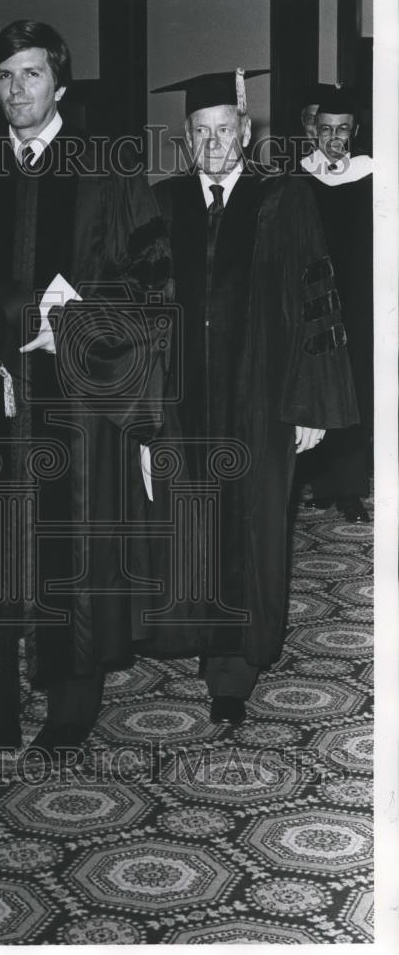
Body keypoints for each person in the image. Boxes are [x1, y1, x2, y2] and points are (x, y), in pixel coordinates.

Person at [0, 20, 172, 761]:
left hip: (76, 396)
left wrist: (71, 329)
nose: (16, 90)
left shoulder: (108, 171)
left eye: (30, 75)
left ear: (59, 84)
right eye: (4, 76)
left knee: (74, 545)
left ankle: (70, 704)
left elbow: (154, 287)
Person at [147, 69, 358, 724]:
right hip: (185, 402)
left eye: (224, 130)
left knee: (257, 524)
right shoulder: (163, 203)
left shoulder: (284, 199)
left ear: (245, 131)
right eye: (199, 133)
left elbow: (314, 298)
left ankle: (235, 670)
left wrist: (310, 406)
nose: (213, 144)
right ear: (185, 138)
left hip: (262, 399)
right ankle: (207, 641)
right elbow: (142, 307)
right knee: (195, 523)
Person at [298, 83, 373, 522]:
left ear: (354, 131)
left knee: (355, 388)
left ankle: (350, 489)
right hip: (314, 300)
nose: (333, 137)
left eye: (342, 129)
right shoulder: (298, 177)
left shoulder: (372, 175)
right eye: (325, 128)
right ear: (315, 131)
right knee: (319, 385)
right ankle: (321, 483)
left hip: (359, 300)